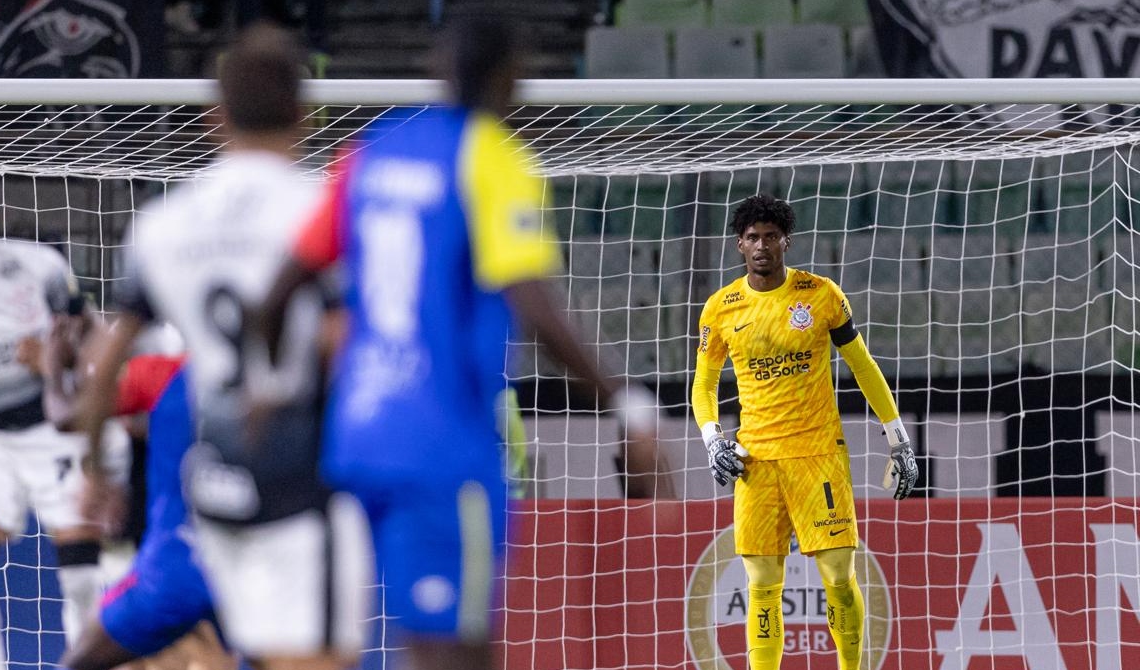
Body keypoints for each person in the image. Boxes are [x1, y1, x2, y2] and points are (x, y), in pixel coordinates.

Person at [258, 13, 674, 670]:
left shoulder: (369, 151)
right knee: (456, 650)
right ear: (513, 76)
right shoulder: (491, 154)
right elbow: (534, 303)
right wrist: (626, 404)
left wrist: (276, 394)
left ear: (438, 69)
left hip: (352, 443)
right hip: (443, 448)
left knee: (332, 643)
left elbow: (281, 288)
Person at [77, 22, 371, 670]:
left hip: (213, 485)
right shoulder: (325, 208)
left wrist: (95, 472)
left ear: (214, 119)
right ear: (305, 114)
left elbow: (105, 365)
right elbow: (344, 338)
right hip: (304, 481)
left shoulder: (163, 224)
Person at [690, 193, 919, 670]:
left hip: (817, 455)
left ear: (786, 242)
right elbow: (704, 385)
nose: (761, 246)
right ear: (739, 245)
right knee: (762, 582)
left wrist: (897, 438)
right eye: (753, 237)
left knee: (838, 574)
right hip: (756, 461)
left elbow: (864, 367)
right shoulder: (721, 308)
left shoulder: (820, 294)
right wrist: (713, 440)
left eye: (771, 237)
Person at [0, 177, 128, 670]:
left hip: (55, 433)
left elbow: (94, 338)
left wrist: (56, 360)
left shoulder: (37, 268)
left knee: (84, 581)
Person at [62, 348, 233, 670]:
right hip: (253, 566)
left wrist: (55, 363)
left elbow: (71, 411)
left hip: (177, 563)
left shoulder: (168, 374)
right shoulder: (295, 380)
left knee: (81, 660)